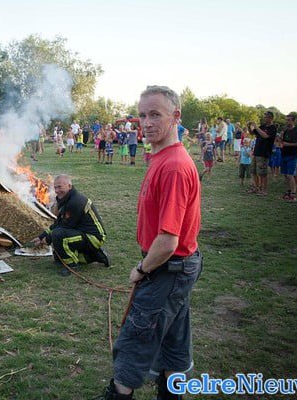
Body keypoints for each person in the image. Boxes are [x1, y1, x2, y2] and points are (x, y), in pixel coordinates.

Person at [100, 85, 202, 400]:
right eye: (142, 115)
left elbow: (168, 241)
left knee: (134, 342)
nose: (146, 122)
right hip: (175, 268)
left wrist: (142, 269)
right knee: (172, 342)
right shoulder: (162, 157)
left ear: (176, 117)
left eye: (155, 114)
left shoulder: (173, 166)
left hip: (167, 268)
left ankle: (119, 394)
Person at [30, 174, 110, 276]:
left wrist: (48, 239)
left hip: (94, 237)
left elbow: (66, 226)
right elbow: (59, 222)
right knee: (58, 257)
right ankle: (96, 255)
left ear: (69, 186)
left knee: (58, 235)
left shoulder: (75, 201)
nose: (57, 190)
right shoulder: (66, 198)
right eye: (55, 187)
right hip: (81, 232)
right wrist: (41, 236)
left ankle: (71, 265)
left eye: (60, 187)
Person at [249, 112, 277, 196]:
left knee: (263, 173)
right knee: (254, 171)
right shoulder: (262, 126)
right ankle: (256, 188)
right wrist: (249, 126)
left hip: (264, 153)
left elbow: (265, 136)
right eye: (264, 117)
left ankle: (264, 191)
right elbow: (252, 133)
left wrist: (256, 126)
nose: (264, 119)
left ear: (271, 118)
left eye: (266, 117)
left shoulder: (273, 128)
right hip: (256, 152)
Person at [279, 114, 297, 202]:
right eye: (286, 120)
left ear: (293, 121)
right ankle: (288, 191)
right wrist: (280, 139)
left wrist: (290, 144)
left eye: (289, 120)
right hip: (284, 154)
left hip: (293, 155)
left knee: (290, 175)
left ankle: (293, 195)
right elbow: (283, 142)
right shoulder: (285, 131)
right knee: (285, 175)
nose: (287, 122)